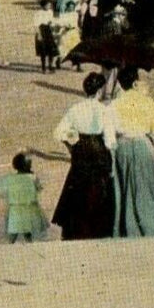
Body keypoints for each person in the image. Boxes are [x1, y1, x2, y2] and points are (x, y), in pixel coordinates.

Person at [51, 72, 117, 240]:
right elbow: (110, 141)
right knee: (99, 190)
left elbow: (59, 133)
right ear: (100, 90)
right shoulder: (104, 110)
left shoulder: (75, 108)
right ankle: (98, 229)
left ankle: (77, 229)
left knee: (78, 187)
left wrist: (71, 146)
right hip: (98, 150)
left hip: (81, 150)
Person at [111, 67, 154, 237]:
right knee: (148, 189)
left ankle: (127, 229)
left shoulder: (114, 104)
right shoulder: (149, 103)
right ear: (136, 82)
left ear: (120, 85)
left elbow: (109, 132)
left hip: (122, 147)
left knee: (124, 190)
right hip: (144, 146)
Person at [0, 153, 48, 243]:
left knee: (13, 232)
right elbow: (39, 188)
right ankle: (29, 245)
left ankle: (9, 247)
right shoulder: (33, 177)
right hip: (28, 208)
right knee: (27, 231)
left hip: (15, 209)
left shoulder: (11, 178)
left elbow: (3, 190)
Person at [33, 0, 59, 73]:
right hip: (42, 30)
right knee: (43, 50)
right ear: (43, 6)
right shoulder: (38, 13)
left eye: (50, 5)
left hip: (48, 31)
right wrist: (39, 34)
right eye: (48, 5)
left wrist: (53, 25)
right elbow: (36, 25)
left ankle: (50, 65)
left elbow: (51, 21)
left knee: (51, 49)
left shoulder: (50, 12)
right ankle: (43, 67)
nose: (49, 6)